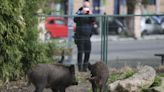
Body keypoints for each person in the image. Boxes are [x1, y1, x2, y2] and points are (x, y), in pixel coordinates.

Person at [74, 7, 95, 72]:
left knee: (87, 52)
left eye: (87, 11)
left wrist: (91, 13)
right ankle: (80, 68)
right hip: (80, 37)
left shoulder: (90, 17)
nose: (86, 12)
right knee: (80, 53)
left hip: (88, 37)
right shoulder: (79, 14)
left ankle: (84, 68)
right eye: (85, 10)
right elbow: (75, 19)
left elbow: (93, 19)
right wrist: (81, 13)